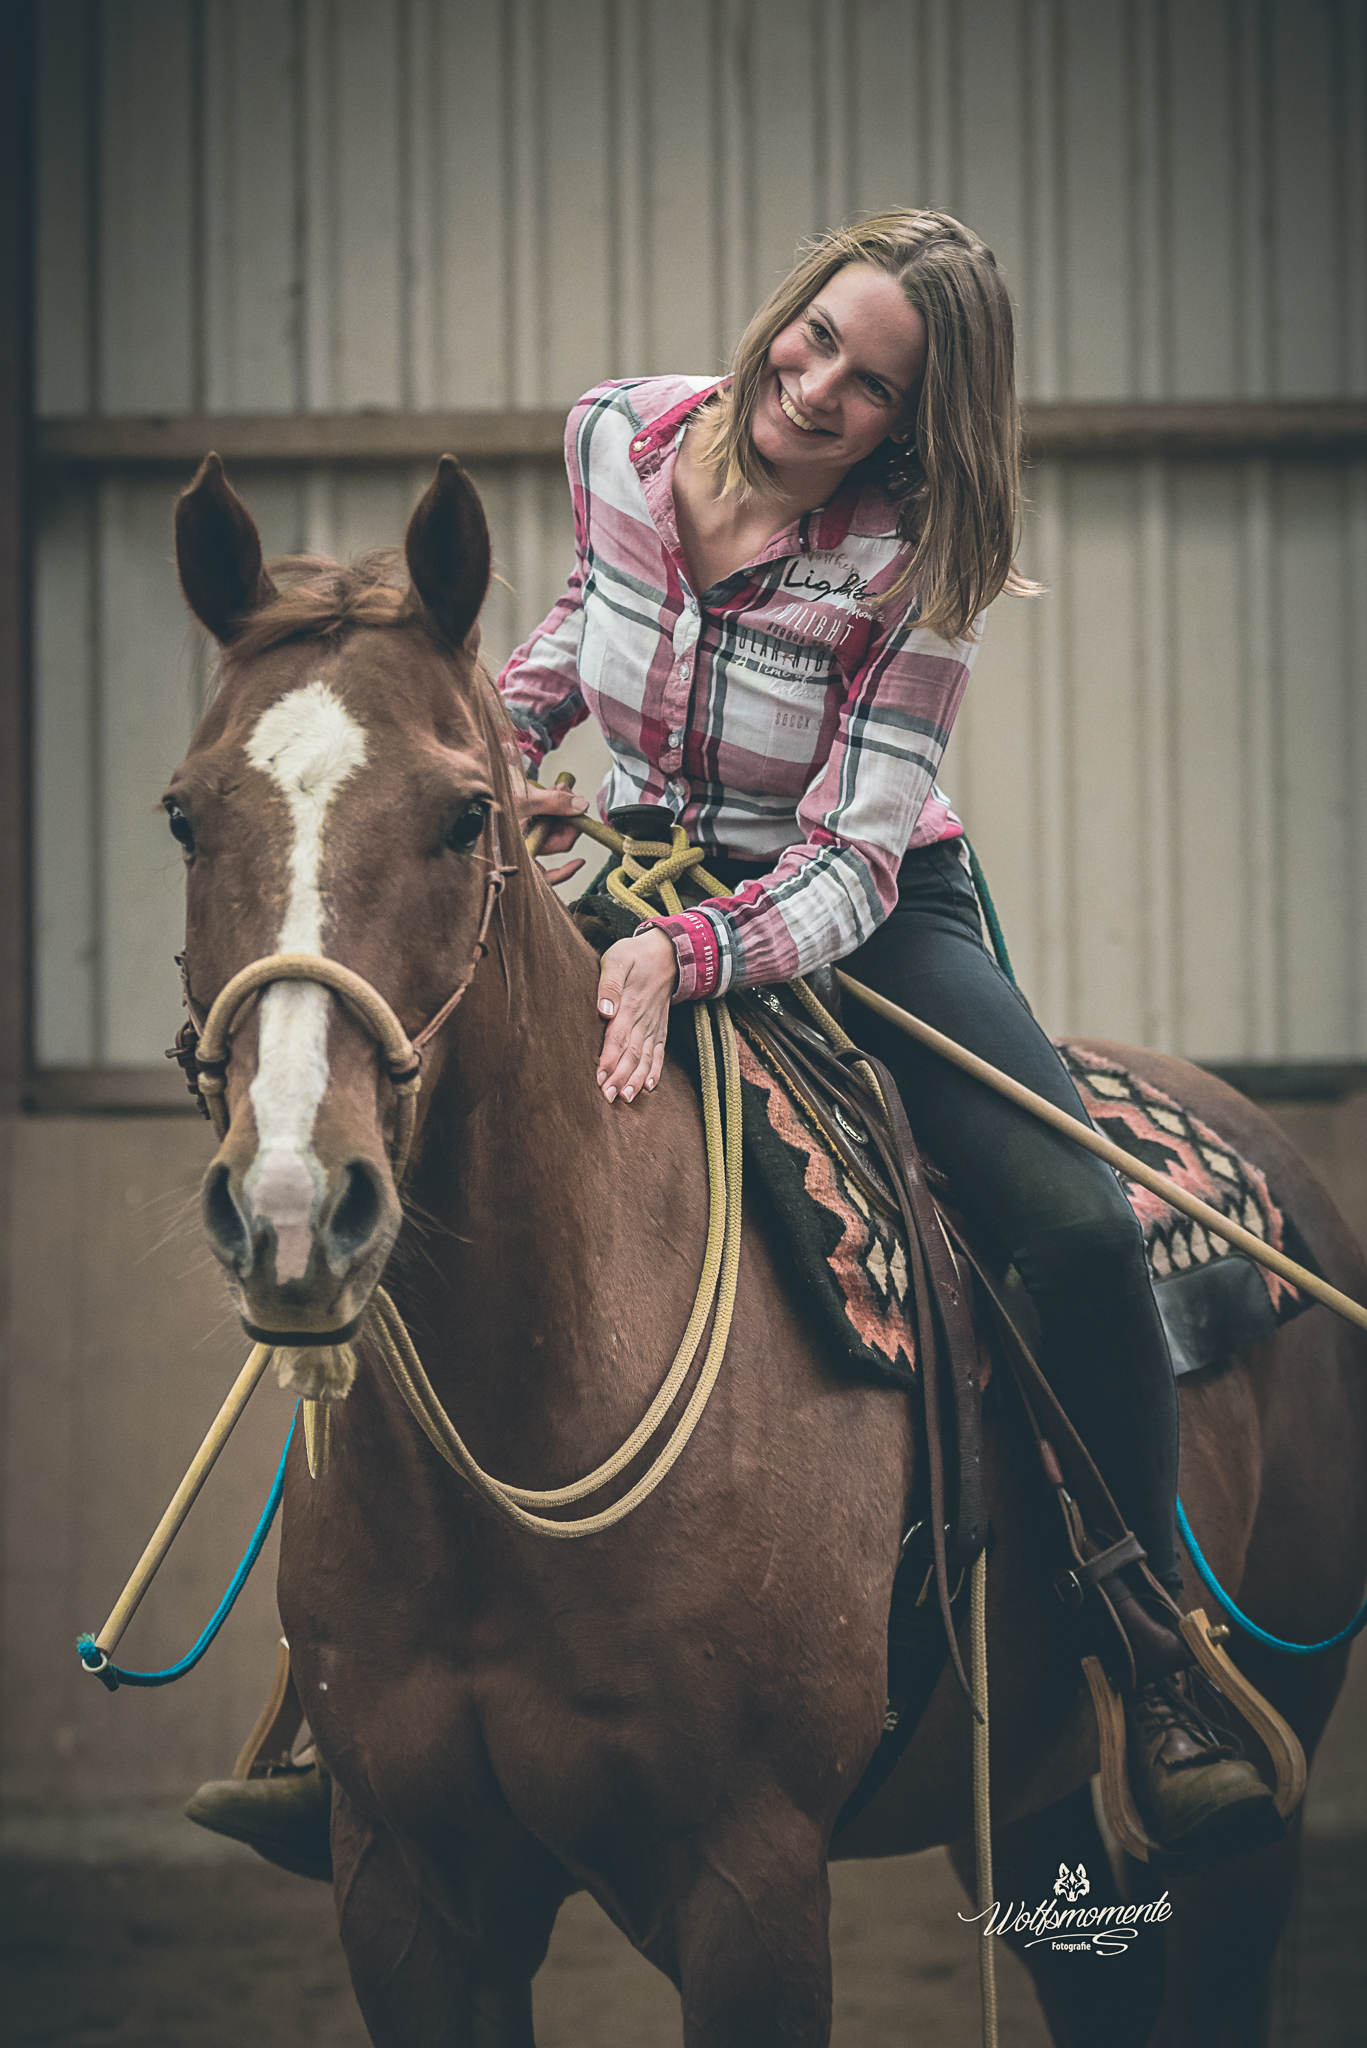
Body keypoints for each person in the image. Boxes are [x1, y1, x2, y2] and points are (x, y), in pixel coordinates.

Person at [188, 211, 1269, 1873]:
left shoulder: (923, 554)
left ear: (916, 424)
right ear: (785, 312)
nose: (818, 385)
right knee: (412, 1129)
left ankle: (1156, 1644)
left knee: (1065, 1216)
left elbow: (854, 851)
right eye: (816, 337)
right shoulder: (620, 433)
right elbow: (566, 643)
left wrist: (683, 959)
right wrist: (484, 753)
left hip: (864, 905)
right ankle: (335, 1686)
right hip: (625, 860)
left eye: (872, 385)